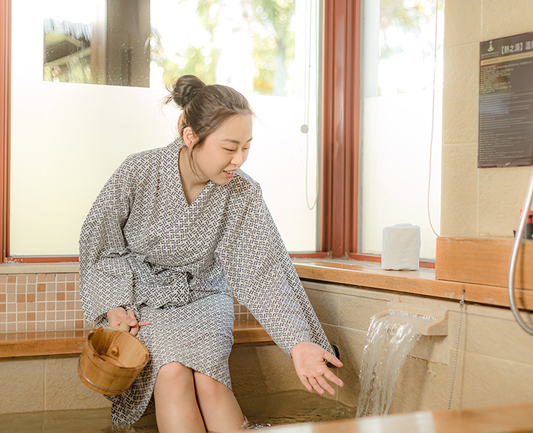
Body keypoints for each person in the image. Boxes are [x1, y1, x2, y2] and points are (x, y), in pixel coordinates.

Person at [79, 75, 343, 433]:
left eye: (246, 147)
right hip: (142, 301)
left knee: (208, 377)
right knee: (172, 373)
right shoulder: (139, 171)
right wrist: (115, 305)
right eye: (229, 147)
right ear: (191, 138)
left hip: (205, 296)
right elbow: (100, 244)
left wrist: (297, 342)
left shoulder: (243, 193)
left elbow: (260, 271)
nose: (239, 160)